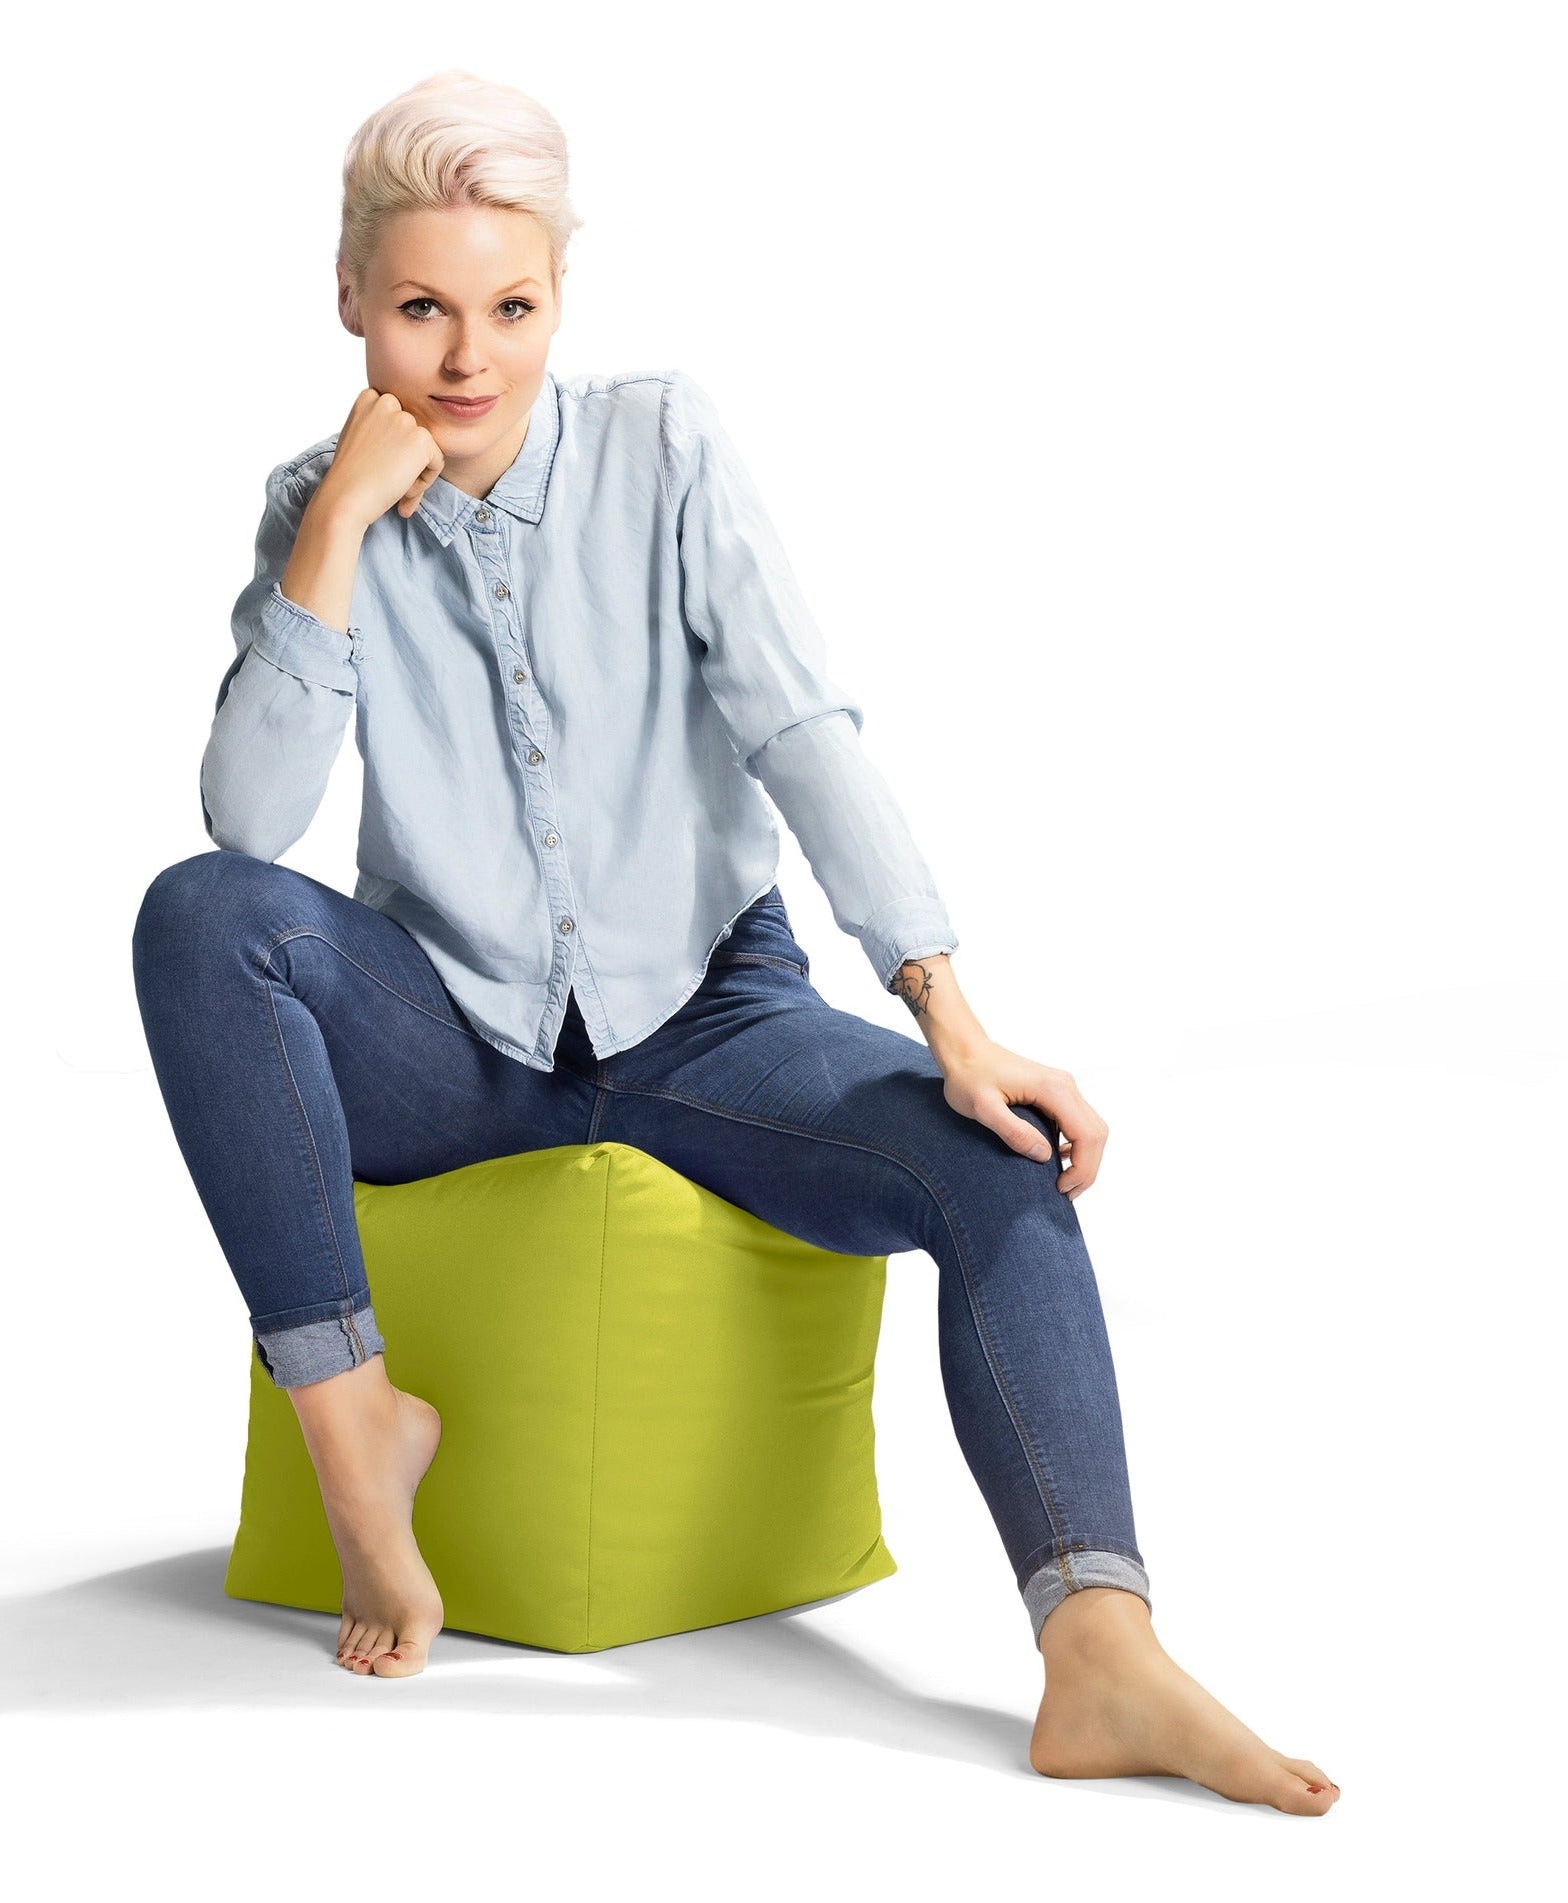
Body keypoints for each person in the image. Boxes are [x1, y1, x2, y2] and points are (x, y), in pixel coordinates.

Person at [131, 69, 1339, 1815]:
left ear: (560, 298)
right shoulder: (311, 505)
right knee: (200, 915)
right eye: (420, 309)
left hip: (710, 1024)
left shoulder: (664, 446)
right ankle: (356, 1436)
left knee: (994, 1160)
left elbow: (801, 728)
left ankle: (1100, 1651)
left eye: (512, 307)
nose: (468, 358)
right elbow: (250, 824)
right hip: (450, 1047)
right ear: (351, 304)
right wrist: (333, 531)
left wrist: (951, 1014)